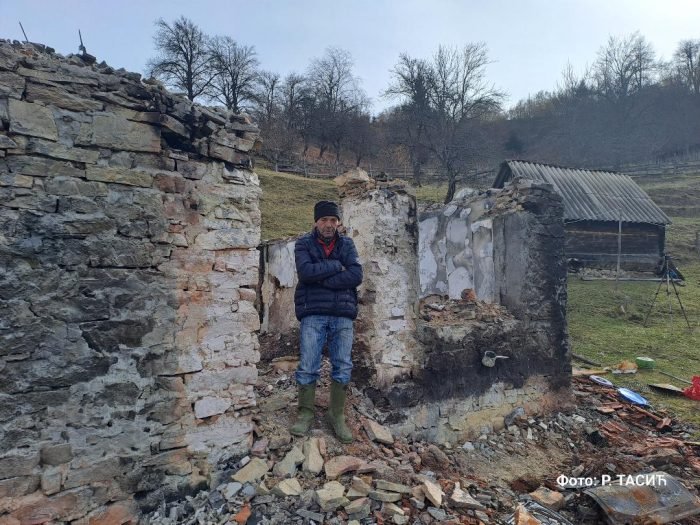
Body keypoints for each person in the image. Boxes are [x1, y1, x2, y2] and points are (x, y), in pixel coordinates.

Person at [290, 200, 363, 443]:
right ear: (316, 222)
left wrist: (322, 279)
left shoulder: (347, 244)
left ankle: (336, 414)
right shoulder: (304, 243)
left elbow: (356, 275)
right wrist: (336, 266)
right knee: (308, 364)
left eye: (333, 220)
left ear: (338, 222)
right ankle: (305, 413)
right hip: (313, 312)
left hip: (343, 313)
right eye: (324, 220)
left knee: (342, 365)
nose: (329, 224)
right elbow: (305, 273)